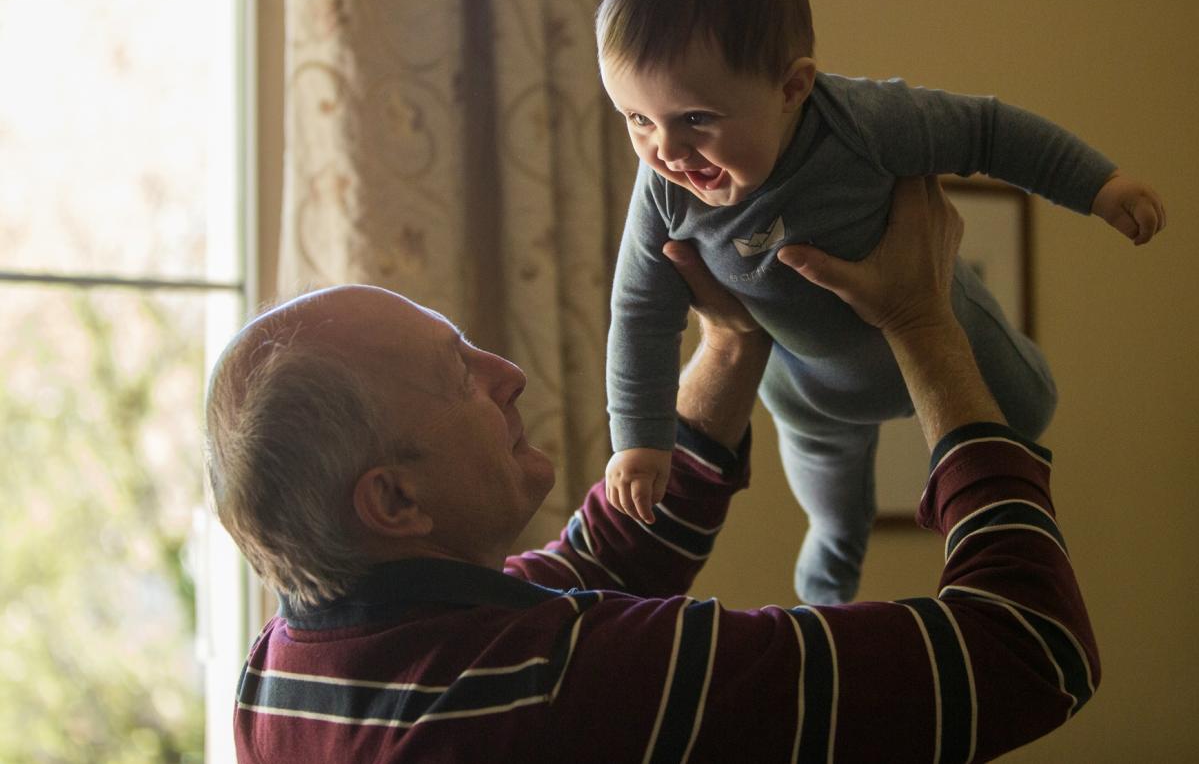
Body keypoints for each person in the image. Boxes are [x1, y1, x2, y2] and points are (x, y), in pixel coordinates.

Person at [206, 177, 1100, 763]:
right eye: (459, 374)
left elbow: (600, 560)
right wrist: (922, 322)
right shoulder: (567, 686)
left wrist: (732, 339)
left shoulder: (283, 673)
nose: (507, 375)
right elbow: (1028, 647)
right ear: (394, 499)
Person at [598, 0, 1166, 603]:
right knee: (836, 515)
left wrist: (1099, 185)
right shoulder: (663, 191)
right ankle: (826, 601)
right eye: (636, 119)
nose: (666, 151)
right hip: (811, 394)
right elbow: (640, 312)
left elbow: (988, 131)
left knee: (1031, 408)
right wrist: (640, 439)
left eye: (695, 119)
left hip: (941, 322)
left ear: (791, 88)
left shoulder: (864, 123)